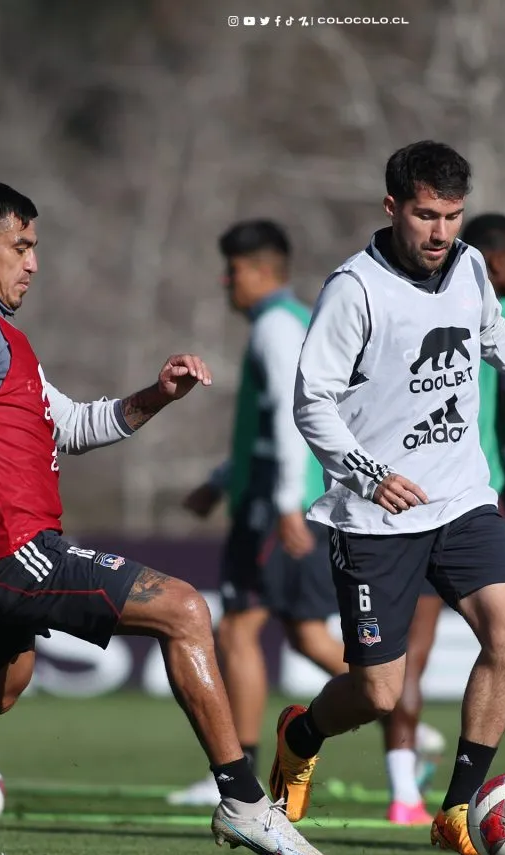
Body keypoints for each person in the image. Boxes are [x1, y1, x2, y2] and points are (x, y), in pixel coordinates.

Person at [0, 181, 329, 855]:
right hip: (9, 551)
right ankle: (245, 803)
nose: (33, 262)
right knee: (186, 610)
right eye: (20, 247)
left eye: (34, 247)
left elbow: (71, 426)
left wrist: (157, 396)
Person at [268, 141, 505, 855]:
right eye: (426, 215)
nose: (441, 232)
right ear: (392, 207)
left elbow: (496, 341)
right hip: (377, 515)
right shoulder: (354, 289)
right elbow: (311, 401)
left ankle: (457, 808)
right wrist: (368, 474)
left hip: (460, 500)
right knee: (379, 693)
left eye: (453, 217)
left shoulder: (471, 267)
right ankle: (301, 735)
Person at [379, 213, 505, 826]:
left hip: (408, 495)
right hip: (479, 502)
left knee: (410, 655)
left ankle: (403, 793)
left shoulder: (420, 301)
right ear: (494, 260)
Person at [169, 220, 345, 806]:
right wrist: (221, 481)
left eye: (234, 270)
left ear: (263, 271)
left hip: (276, 504)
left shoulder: (275, 327)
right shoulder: (291, 321)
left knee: (238, 629)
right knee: (308, 634)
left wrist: (287, 501)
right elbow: (269, 428)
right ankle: (401, 717)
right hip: (278, 495)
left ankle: (237, 774)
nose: (227, 281)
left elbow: (295, 418)